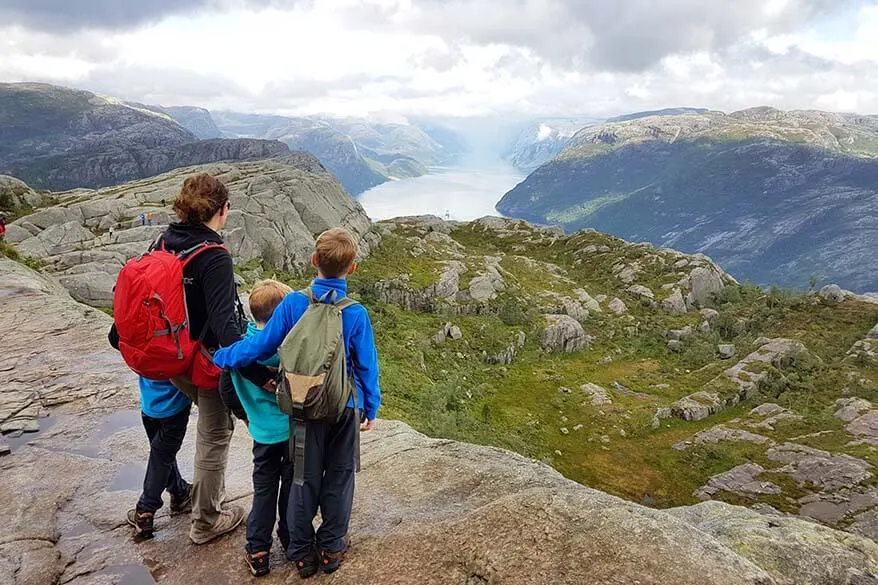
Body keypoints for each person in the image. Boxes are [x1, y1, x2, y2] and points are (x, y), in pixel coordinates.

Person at [213, 227, 381, 578]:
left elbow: (260, 348)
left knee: (302, 479)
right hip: (343, 408)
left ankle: (301, 553)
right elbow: (366, 366)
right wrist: (370, 407)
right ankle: (332, 547)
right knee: (339, 476)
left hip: (303, 407)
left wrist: (223, 356)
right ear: (352, 269)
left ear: (313, 260)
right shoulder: (356, 313)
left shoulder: (292, 303)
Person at [157, 172, 273, 545]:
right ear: (222, 210)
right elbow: (227, 330)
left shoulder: (163, 240)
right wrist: (259, 375)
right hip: (204, 362)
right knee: (214, 434)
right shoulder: (214, 256)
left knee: (204, 427)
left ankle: (195, 499)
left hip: (172, 357)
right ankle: (206, 520)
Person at [228, 279, 294, 577]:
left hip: (262, 435)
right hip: (294, 433)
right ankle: (292, 540)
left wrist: (245, 417)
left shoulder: (242, 350)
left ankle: (258, 551)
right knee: (293, 488)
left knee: (264, 491)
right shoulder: (287, 349)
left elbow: (227, 391)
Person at [125, 378, 193, 540]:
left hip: (149, 406)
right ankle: (145, 510)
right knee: (162, 456)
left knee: (162, 454)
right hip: (174, 409)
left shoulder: (140, 351)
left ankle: (179, 492)